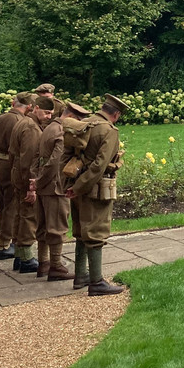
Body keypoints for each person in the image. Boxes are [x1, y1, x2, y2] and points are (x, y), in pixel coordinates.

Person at [69, 94, 129, 296]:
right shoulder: (109, 130)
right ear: (117, 114)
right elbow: (99, 166)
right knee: (96, 232)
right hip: (96, 188)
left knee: (80, 230)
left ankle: (80, 275)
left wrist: (74, 185)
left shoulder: (84, 123)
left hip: (76, 185)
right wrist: (81, 186)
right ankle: (96, 282)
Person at [32, 100, 90, 280]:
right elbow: (54, 162)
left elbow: (39, 157)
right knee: (57, 227)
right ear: (71, 117)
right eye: (77, 120)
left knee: (42, 227)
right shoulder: (61, 131)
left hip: (44, 186)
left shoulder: (49, 127)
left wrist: (36, 181)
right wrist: (41, 181)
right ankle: (55, 266)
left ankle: (43, 263)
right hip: (55, 186)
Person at [0, 91, 35, 260]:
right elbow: (20, 149)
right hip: (10, 165)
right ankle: (5, 244)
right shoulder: (21, 122)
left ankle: (6, 241)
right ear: (28, 107)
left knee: (2, 204)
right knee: (12, 207)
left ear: (14, 103)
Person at [9, 96, 51, 274]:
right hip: (25, 177)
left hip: (17, 174)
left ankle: (19, 256)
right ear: (36, 108)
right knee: (29, 216)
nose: (49, 116)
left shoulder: (23, 122)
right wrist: (31, 186)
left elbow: (14, 154)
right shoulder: (32, 128)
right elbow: (30, 159)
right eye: (46, 112)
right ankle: (26, 258)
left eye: (51, 114)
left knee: (20, 214)